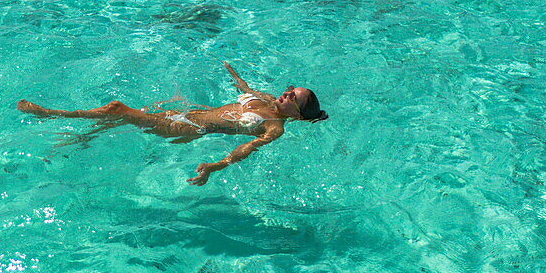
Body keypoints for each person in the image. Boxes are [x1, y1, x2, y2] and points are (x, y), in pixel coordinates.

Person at [17, 62, 328, 186]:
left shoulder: (276, 128)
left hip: (189, 130)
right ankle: (78, 141)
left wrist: (213, 167)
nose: (286, 93)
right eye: (290, 89)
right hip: (188, 114)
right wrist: (234, 74)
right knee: (122, 118)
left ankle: (52, 114)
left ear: (298, 114)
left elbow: (246, 149)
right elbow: (243, 90)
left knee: (118, 109)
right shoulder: (263, 97)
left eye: (293, 98)